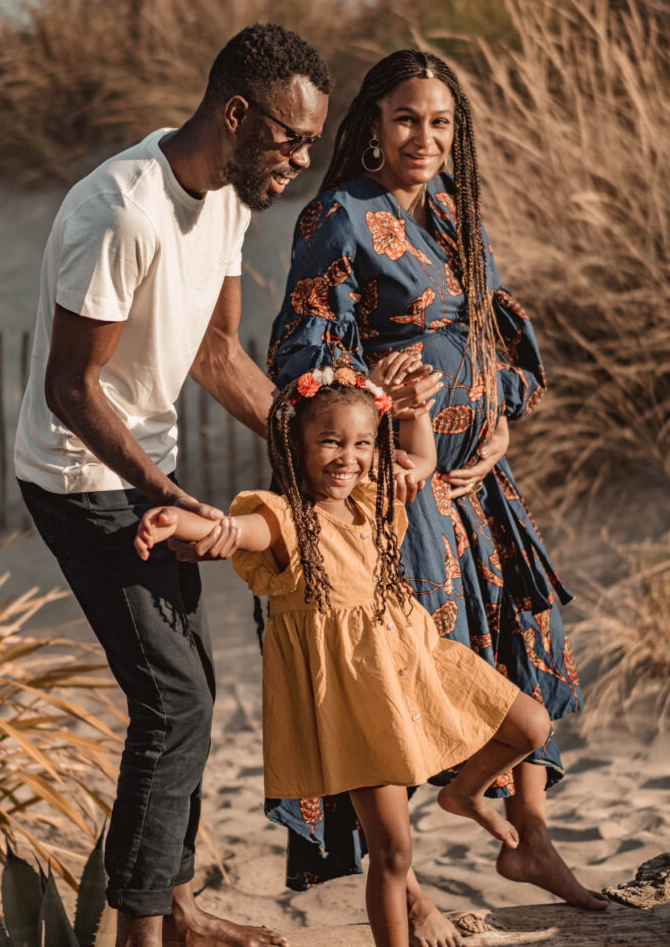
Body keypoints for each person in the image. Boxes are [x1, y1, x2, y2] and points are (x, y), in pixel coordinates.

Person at [266, 49, 609, 924]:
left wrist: (499, 419)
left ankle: (527, 835)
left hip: (477, 476)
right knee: (406, 673)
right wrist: (384, 396)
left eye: (442, 122)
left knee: (527, 632)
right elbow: (303, 358)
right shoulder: (338, 215)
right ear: (374, 126)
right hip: (398, 484)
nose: (426, 137)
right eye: (408, 118)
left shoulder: (458, 214)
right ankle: (405, 883)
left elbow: (497, 335)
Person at [14, 22, 332, 947]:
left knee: (190, 681)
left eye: (312, 141)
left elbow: (215, 351)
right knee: (175, 700)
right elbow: (70, 389)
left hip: (148, 471)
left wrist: (306, 442)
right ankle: (141, 930)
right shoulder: (118, 209)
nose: (301, 160)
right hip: (80, 477)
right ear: (235, 114)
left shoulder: (229, 194)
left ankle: (173, 903)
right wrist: (165, 489)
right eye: (289, 138)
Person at [135, 365, 553, 947]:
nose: (347, 457)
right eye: (329, 441)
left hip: (420, 661)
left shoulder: (372, 500)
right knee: (393, 850)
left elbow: (422, 462)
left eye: (361, 443)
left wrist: (414, 414)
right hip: (359, 700)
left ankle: (463, 793)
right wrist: (174, 519)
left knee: (532, 725)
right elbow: (234, 529)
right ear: (295, 445)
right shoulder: (283, 519)